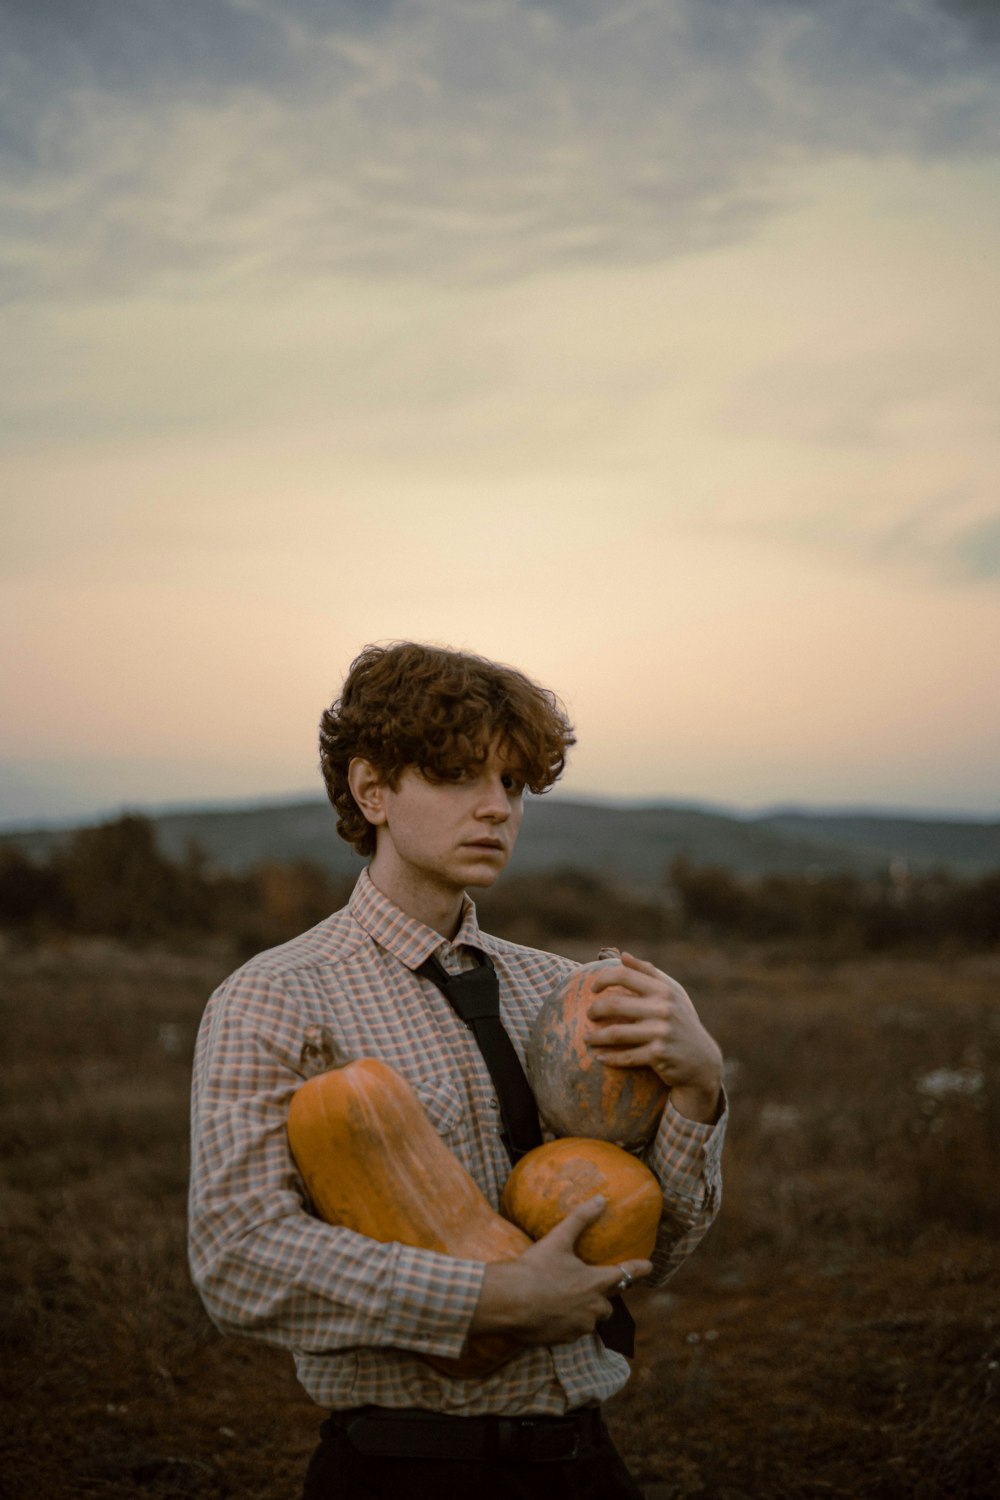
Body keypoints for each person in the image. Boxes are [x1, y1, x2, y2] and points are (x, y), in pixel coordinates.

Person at [188, 642, 727, 1500]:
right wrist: (487, 1298)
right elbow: (237, 1261)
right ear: (373, 791)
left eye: (512, 784)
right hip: (401, 1471)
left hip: (582, 1463)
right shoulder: (275, 998)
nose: (496, 810)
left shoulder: (563, 991)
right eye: (457, 776)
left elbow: (647, 1255)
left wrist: (700, 1089)